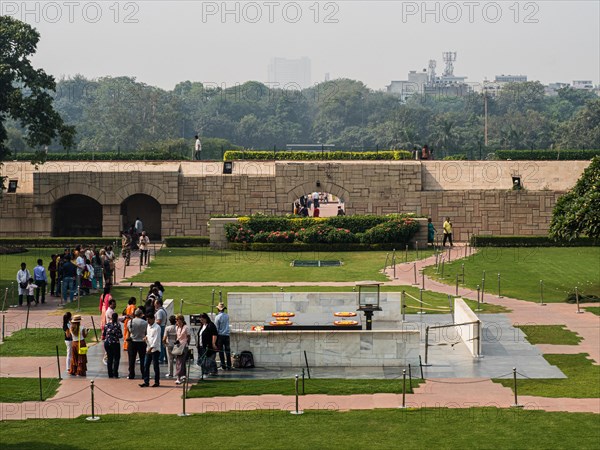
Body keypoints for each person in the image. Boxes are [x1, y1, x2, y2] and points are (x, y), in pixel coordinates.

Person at [140, 313, 161, 387]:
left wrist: (151, 348)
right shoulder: (148, 326)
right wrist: (146, 337)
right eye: (147, 319)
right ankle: (146, 381)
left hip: (155, 350)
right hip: (148, 348)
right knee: (146, 365)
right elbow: (149, 335)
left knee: (155, 366)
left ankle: (157, 382)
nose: (148, 321)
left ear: (153, 319)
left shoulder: (157, 327)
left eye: (149, 319)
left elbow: (156, 339)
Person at [127, 309, 147, 380]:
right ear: (141, 314)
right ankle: (143, 374)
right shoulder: (145, 322)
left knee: (131, 359)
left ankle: (131, 374)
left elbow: (129, 330)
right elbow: (146, 332)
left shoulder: (130, 322)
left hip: (132, 341)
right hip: (141, 341)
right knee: (142, 359)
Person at [196, 313, 218, 377]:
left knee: (209, 359)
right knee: (203, 360)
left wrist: (213, 343)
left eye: (202, 319)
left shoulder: (211, 325)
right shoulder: (202, 326)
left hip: (208, 346)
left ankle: (211, 371)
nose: (201, 321)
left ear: (206, 319)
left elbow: (214, 334)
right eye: (200, 320)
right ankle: (205, 372)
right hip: (201, 346)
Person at [103, 312, 122, 378]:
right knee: (116, 358)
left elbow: (104, 334)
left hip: (107, 343)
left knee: (109, 358)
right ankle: (115, 373)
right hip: (115, 343)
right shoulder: (117, 325)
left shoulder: (107, 324)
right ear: (117, 318)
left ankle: (110, 374)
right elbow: (120, 335)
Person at [215, 303, 232, 370]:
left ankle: (223, 365)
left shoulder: (217, 317)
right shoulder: (227, 316)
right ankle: (229, 365)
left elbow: (216, 328)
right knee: (227, 351)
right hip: (227, 335)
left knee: (221, 351)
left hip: (220, 336)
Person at [175, 314, 190, 385]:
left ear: (181, 320)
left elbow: (188, 337)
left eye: (177, 319)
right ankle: (182, 375)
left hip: (184, 346)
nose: (176, 321)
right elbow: (177, 336)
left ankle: (179, 376)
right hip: (178, 346)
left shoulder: (186, 327)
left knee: (181, 361)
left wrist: (187, 344)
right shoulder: (177, 328)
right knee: (179, 361)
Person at [154, 298, 167, 364]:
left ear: (158, 304)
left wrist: (153, 324)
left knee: (160, 343)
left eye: (155, 303)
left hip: (160, 327)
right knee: (162, 343)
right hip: (163, 326)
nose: (154, 304)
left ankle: (160, 357)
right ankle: (163, 356)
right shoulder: (164, 310)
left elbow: (159, 321)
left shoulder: (159, 312)